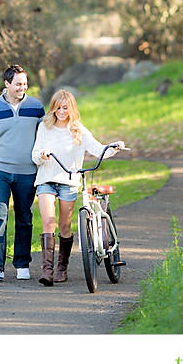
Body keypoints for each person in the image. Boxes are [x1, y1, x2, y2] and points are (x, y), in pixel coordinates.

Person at [31, 89, 124, 286]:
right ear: (53, 107)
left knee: (64, 226)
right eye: (58, 107)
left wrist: (113, 147)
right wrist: (42, 155)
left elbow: (98, 150)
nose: (61, 111)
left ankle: (61, 268)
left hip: (69, 182)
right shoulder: (44, 127)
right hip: (46, 179)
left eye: (65, 107)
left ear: (71, 108)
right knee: (48, 222)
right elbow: (34, 154)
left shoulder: (78, 129)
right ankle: (47, 271)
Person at [0, 65, 45, 281]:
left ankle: (22, 264)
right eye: (17, 84)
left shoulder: (36, 107)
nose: (22, 88)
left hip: (27, 172)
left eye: (24, 84)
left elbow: (45, 138)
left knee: (25, 217)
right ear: (7, 84)